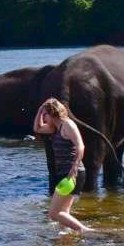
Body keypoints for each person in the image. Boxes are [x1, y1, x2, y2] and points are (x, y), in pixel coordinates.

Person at [33, 99, 92, 235]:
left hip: (73, 173)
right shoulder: (56, 127)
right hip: (64, 172)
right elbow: (37, 128)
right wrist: (40, 109)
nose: (43, 118)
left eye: (45, 114)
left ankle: (84, 230)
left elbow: (81, 146)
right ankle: (66, 238)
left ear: (52, 113)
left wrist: (74, 168)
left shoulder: (67, 125)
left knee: (54, 213)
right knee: (64, 212)